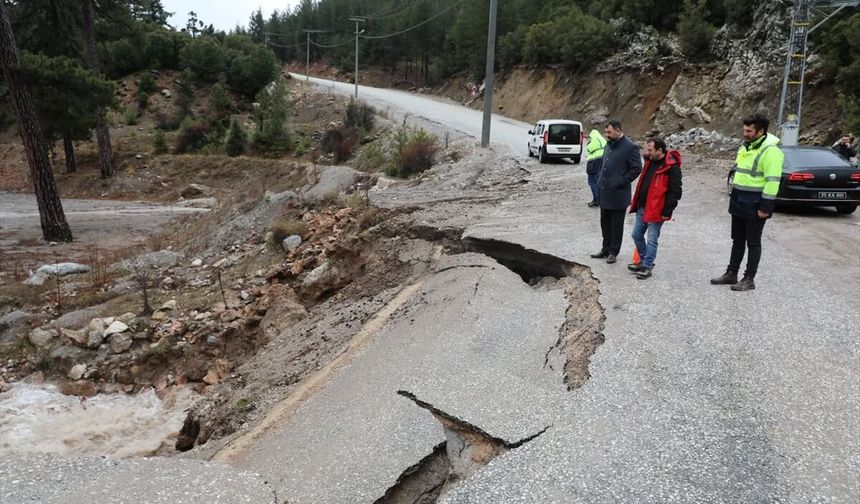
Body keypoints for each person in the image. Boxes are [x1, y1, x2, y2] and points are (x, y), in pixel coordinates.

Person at [710, 114, 784, 291]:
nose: (745, 133)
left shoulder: (771, 152)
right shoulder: (745, 147)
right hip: (739, 202)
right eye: (744, 130)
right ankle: (731, 273)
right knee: (737, 240)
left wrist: (765, 207)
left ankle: (749, 278)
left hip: (755, 204)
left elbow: (773, 182)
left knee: (753, 242)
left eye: (749, 131)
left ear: (761, 131)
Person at [627, 138, 682, 279]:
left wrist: (667, 210)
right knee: (636, 235)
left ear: (660, 150)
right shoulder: (649, 161)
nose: (647, 152)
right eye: (647, 149)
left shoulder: (672, 167)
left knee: (652, 239)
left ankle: (647, 265)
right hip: (643, 207)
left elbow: (675, 191)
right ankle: (646, 262)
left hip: (657, 209)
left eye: (650, 149)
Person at [590, 120, 642, 264]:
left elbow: (637, 168)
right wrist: (600, 178)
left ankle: (613, 252)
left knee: (616, 226)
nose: (606, 135)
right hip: (605, 192)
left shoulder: (630, 147)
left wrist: (621, 181)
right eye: (605, 132)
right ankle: (605, 249)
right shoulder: (609, 144)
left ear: (618, 130)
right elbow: (603, 164)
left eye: (609, 132)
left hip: (619, 194)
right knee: (604, 224)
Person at [585, 128, 607, 207]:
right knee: (599, 181)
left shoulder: (594, 139)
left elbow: (589, 148)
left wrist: (589, 142)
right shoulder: (603, 139)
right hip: (602, 161)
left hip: (594, 162)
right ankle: (600, 199)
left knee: (592, 181)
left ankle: (596, 200)